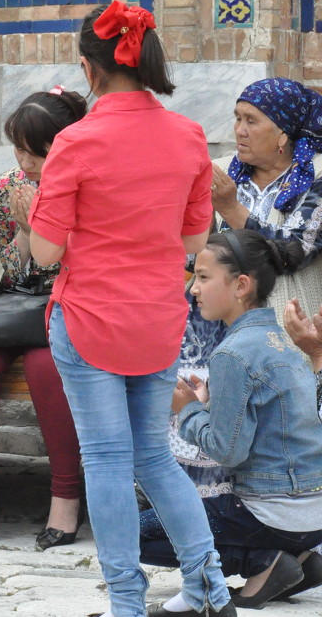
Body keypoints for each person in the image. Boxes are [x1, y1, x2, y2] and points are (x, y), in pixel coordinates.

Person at [27, 1, 234, 617]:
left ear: (89, 71)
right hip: (160, 316)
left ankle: (126, 601)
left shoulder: (75, 141)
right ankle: (209, 585)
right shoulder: (188, 135)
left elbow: (44, 250)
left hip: (90, 316)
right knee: (152, 454)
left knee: (109, 460)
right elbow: (195, 244)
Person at [139, 230, 322, 608]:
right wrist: (208, 404)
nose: (193, 289)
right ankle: (303, 560)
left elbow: (227, 451)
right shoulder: (279, 339)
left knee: (133, 531)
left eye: (204, 278)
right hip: (312, 518)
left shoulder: (232, 354)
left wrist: (187, 409)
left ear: (241, 285)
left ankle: (263, 562)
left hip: (271, 512)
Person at [174, 78, 322, 497]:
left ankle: (270, 504)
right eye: (237, 118)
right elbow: (192, 255)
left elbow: (293, 251)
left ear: (283, 134)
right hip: (213, 317)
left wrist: (229, 208)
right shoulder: (224, 171)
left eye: (251, 120)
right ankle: (203, 499)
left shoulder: (317, 177)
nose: (239, 129)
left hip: (286, 317)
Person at [0, 86, 85, 547]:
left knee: (44, 367)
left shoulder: (85, 185)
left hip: (69, 307)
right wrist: (25, 236)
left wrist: (40, 229)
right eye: (19, 150)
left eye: (38, 152)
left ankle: (66, 500)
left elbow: (79, 263)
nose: (26, 162)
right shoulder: (10, 187)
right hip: (14, 307)